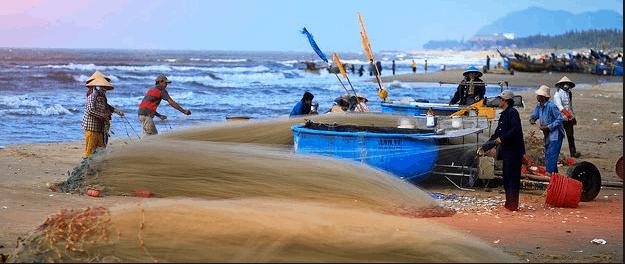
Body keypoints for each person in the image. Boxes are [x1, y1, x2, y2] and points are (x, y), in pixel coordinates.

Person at [478, 90, 525, 211]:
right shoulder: (504, 114)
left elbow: (515, 129)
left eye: (501, 99)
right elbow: (496, 134)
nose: (499, 101)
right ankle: (509, 203)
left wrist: (502, 139)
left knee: (512, 178)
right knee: (506, 177)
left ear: (506, 101)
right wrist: (484, 147)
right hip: (507, 150)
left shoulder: (513, 112)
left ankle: (513, 205)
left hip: (514, 151)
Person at [82, 72, 124, 157]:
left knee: (100, 149)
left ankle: (97, 166)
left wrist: (115, 110)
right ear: (98, 86)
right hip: (92, 127)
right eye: (103, 86)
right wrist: (103, 115)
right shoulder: (92, 95)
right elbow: (90, 110)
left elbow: (105, 105)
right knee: (90, 150)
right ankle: (88, 167)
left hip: (100, 127)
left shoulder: (101, 95)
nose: (105, 89)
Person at [529, 85, 564, 174]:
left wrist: (548, 127)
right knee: (549, 154)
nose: (537, 97)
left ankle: (549, 174)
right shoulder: (539, 106)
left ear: (544, 97)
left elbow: (560, 119)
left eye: (539, 95)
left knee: (551, 155)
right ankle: (554, 175)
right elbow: (535, 115)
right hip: (547, 133)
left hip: (555, 134)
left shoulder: (551, 106)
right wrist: (532, 119)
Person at [553, 76, 580, 158]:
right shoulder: (557, 94)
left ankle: (573, 153)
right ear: (560, 85)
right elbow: (559, 106)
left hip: (568, 119)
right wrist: (567, 114)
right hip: (560, 118)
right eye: (564, 84)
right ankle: (555, 153)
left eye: (567, 84)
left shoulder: (569, 93)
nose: (566, 85)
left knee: (570, 136)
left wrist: (573, 116)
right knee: (558, 137)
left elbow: (570, 106)